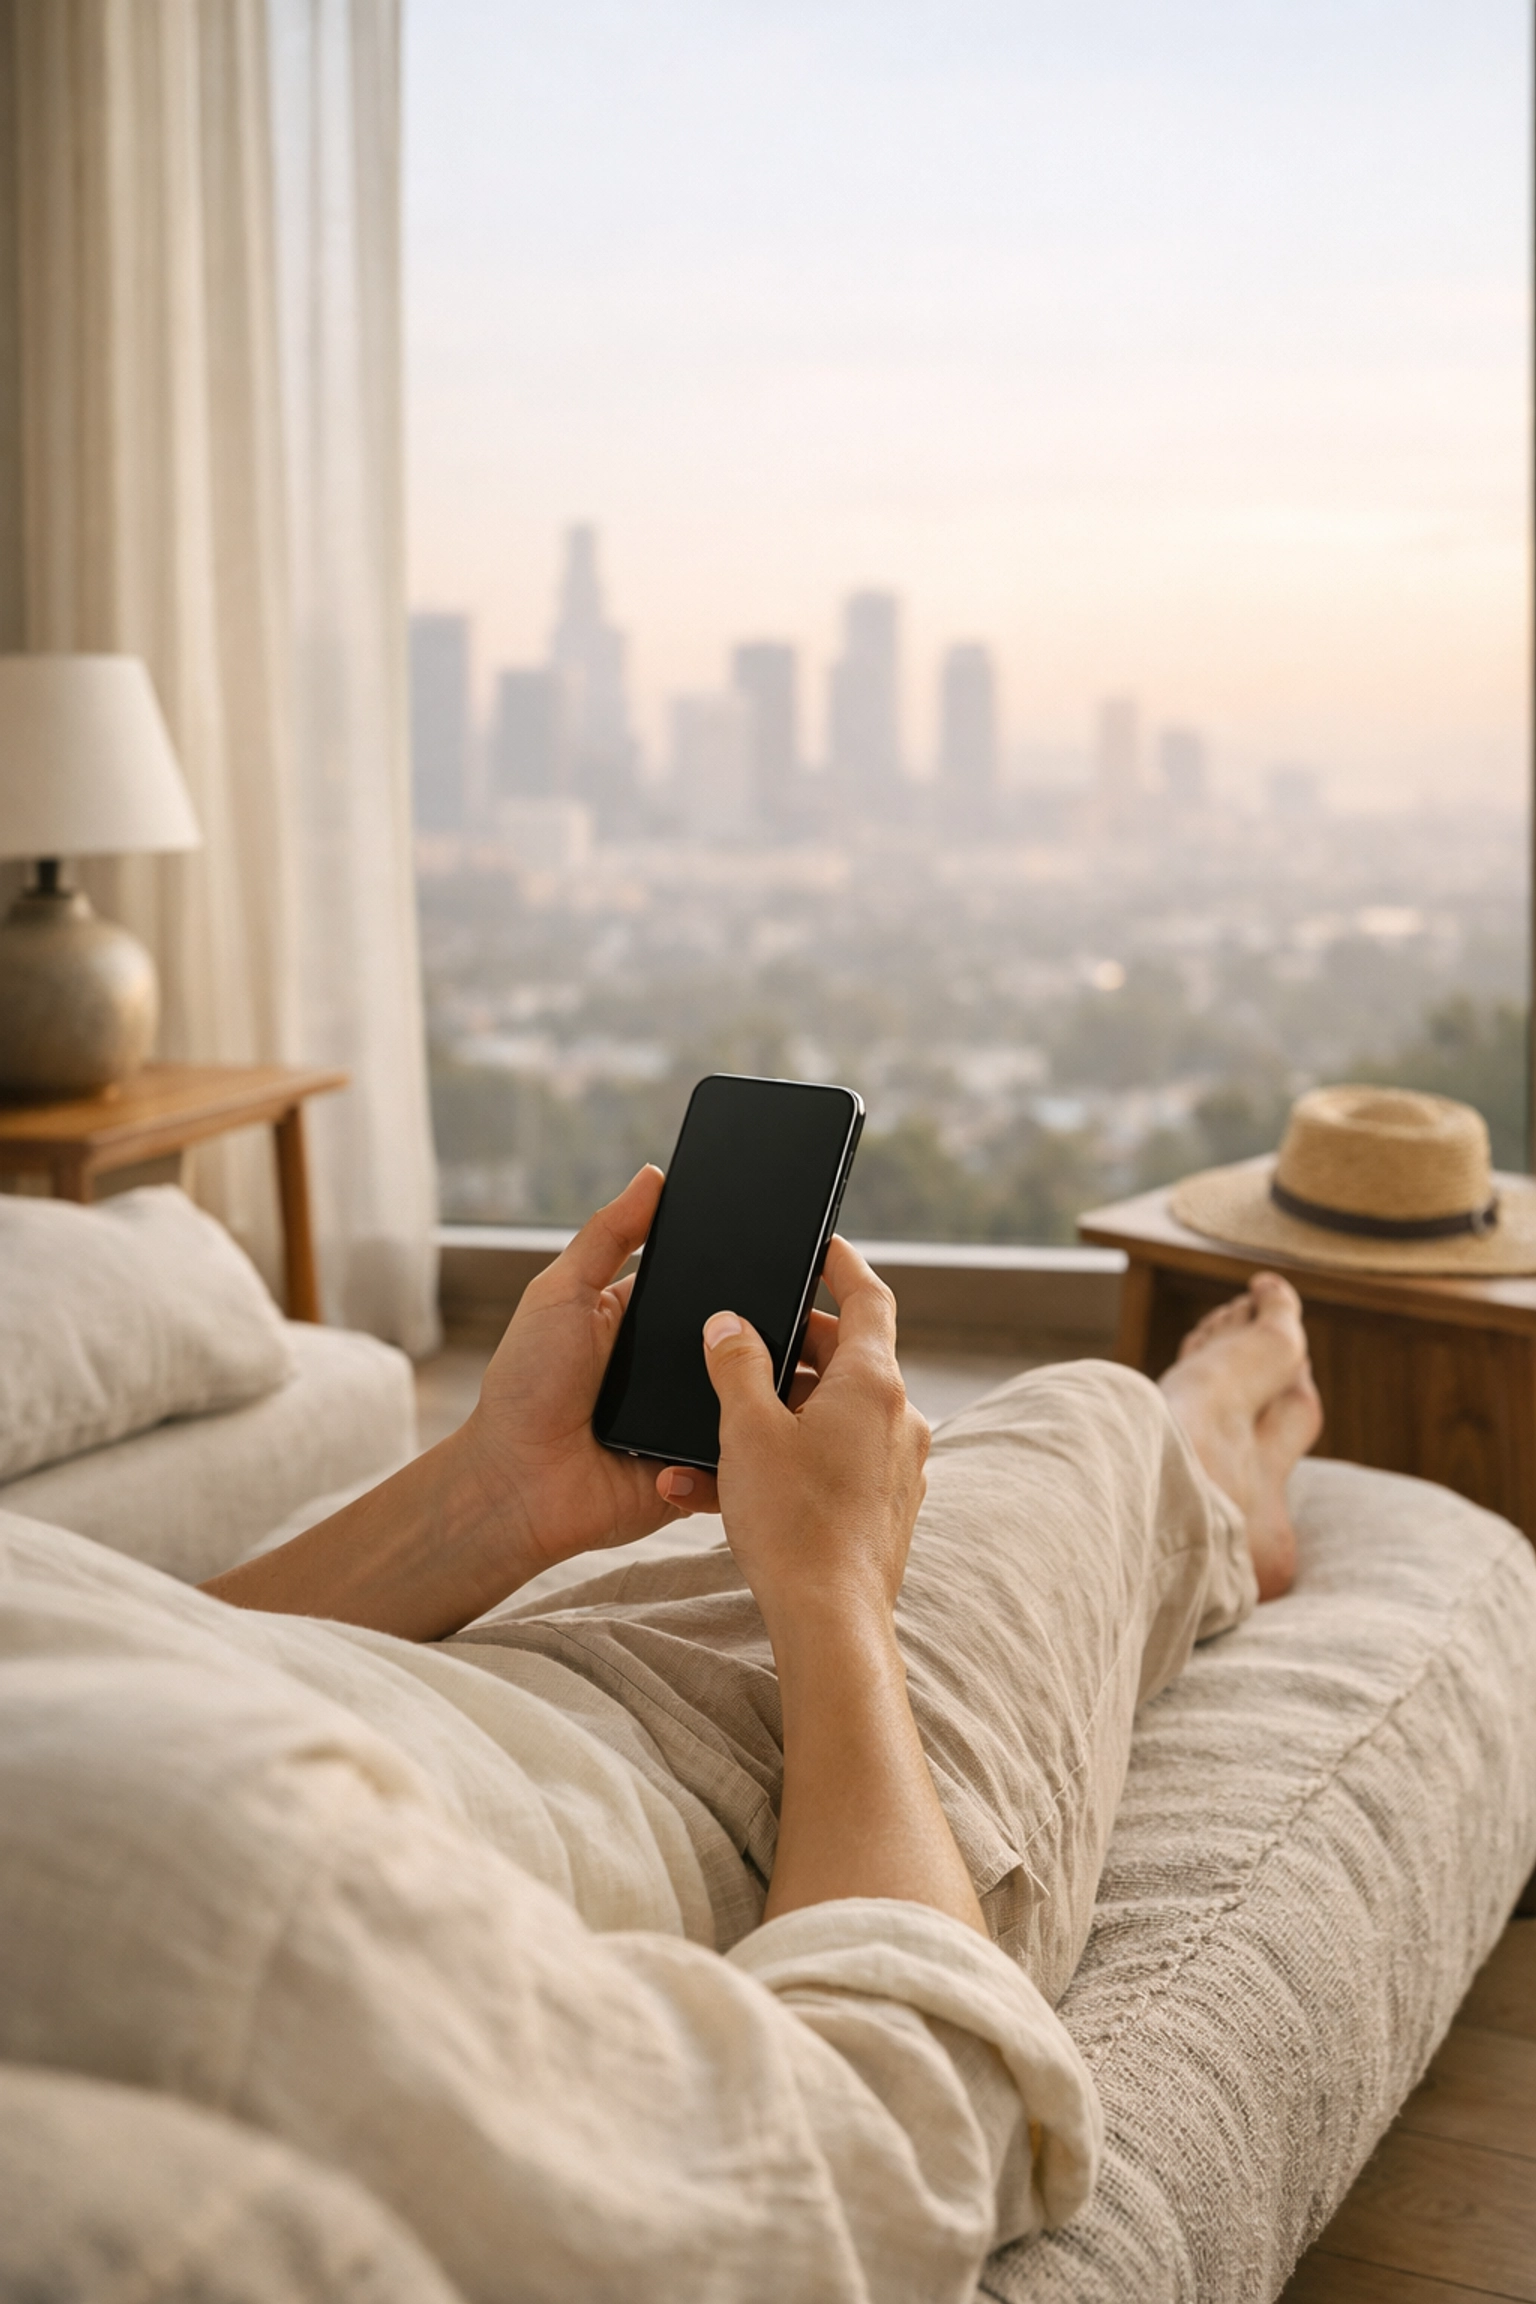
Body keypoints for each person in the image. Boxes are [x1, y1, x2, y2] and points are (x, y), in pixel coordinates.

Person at [0, 1166, 1321, 2304]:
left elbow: (163, 1649)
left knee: (862, 1460)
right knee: (1080, 1416)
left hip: (455, 1684)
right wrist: (832, 1589)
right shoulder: (232, 1955)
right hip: (762, 1807)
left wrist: (492, 1495)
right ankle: (1209, 1457)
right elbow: (888, 2134)